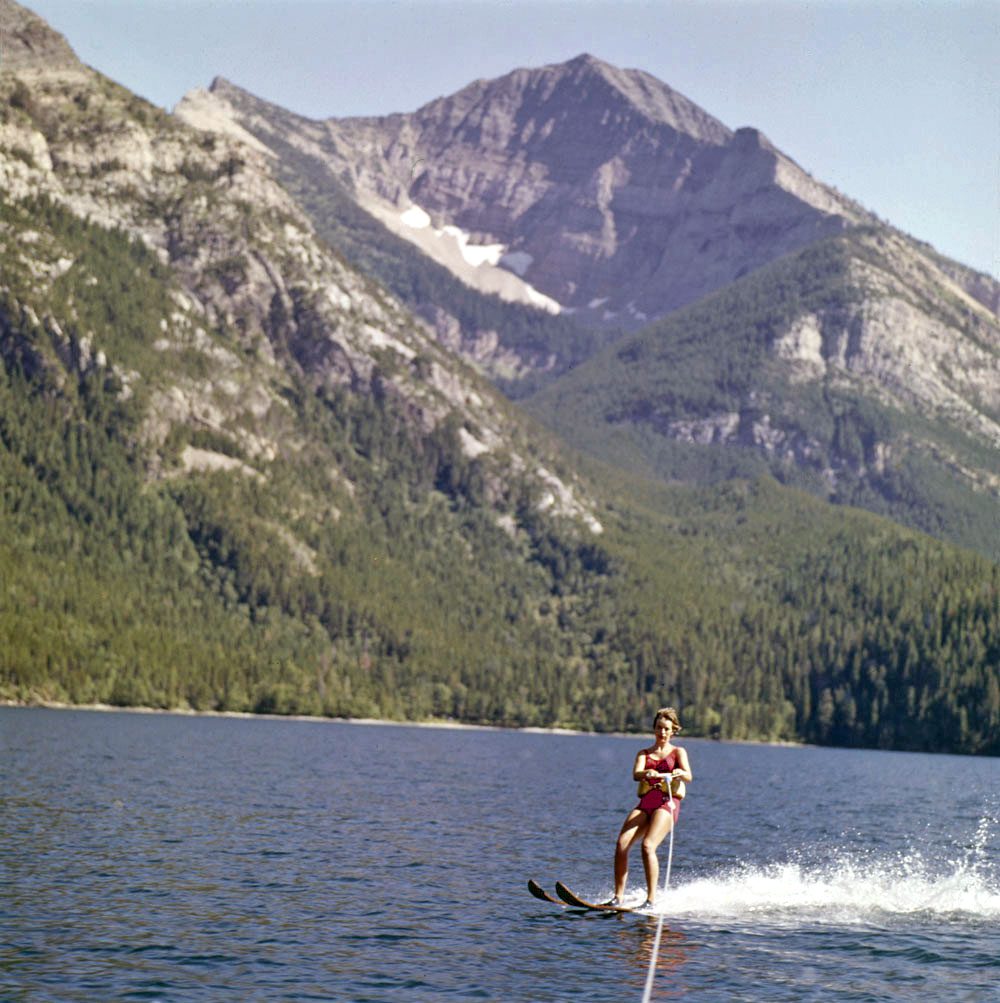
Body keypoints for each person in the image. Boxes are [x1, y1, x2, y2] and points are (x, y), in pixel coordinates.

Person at [609, 706, 692, 908]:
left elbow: (688, 776)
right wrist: (647, 773)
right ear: (654, 729)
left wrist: (678, 773)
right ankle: (617, 897)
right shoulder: (644, 754)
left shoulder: (678, 752)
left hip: (667, 803)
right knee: (622, 844)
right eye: (659, 728)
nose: (662, 732)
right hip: (647, 802)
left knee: (647, 846)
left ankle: (651, 900)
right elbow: (636, 774)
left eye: (666, 729)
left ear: (673, 731)